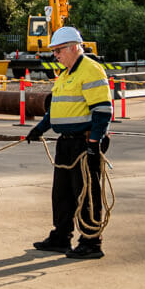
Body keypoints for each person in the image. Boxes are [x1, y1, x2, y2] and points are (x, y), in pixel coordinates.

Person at [26, 26, 112, 259]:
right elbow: (55, 110)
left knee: (85, 193)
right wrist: (39, 129)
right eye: (54, 51)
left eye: (59, 50)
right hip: (65, 143)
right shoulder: (64, 74)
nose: (56, 55)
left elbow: (103, 111)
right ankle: (61, 235)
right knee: (62, 193)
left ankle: (91, 241)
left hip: (83, 145)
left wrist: (94, 143)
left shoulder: (91, 71)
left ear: (74, 47)